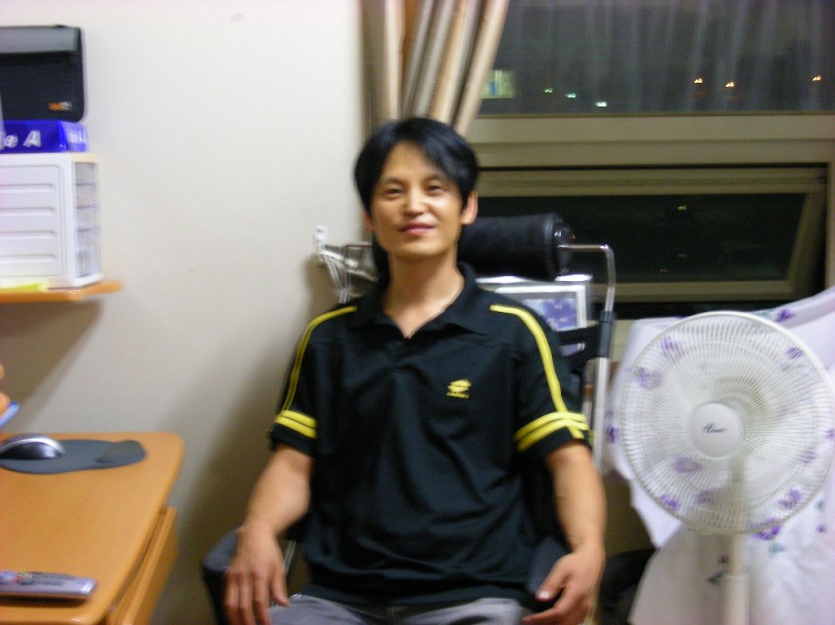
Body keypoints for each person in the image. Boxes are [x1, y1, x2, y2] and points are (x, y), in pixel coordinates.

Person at [224, 117, 606, 625]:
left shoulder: (515, 333)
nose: (414, 206)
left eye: (435, 189)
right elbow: (293, 463)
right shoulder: (329, 337)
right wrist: (258, 530)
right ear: (369, 215)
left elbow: (568, 460)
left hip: (475, 597)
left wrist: (589, 548)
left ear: (467, 207)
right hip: (339, 598)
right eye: (393, 191)